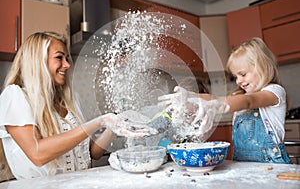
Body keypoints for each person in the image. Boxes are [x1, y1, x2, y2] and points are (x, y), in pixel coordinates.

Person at [0, 32, 157, 181]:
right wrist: (100, 121)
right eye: (59, 57)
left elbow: (92, 152)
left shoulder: (69, 101)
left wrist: (114, 124)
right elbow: (37, 154)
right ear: (37, 61)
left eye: (66, 58)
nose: (67, 65)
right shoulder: (15, 97)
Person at [159, 37, 291, 164]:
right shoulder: (238, 95)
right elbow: (214, 99)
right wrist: (191, 97)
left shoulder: (274, 91)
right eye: (235, 76)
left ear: (262, 67)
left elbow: (249, 101)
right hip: (242, 165)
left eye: (243, 74)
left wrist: (218, 105)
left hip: (272, 165)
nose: (239, 81)